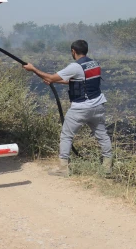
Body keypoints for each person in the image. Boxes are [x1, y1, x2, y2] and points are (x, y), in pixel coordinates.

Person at [23, 40, 113, 177]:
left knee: (66, 135)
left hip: (81, 108)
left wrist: (34, 69)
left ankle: (63, 169)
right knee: (103, 136)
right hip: (98, 106)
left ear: (73, 51)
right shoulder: (94, 64)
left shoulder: (75, 66)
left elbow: (52, 77)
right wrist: (53, 80)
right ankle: (107, 169)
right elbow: (76, 81)